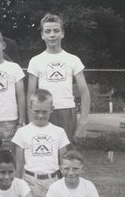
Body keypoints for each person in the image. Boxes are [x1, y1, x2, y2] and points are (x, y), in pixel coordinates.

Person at [27, 13, 90, 143]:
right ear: (42, 35)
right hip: (43, 112)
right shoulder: (35, 61)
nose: (52, 35)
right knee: (44, 156)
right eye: (48, 31)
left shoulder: (73, 59)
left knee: (66, 157)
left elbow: (84, 93)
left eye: (56, 31)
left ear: (62, 33)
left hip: (66, 112)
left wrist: (83, 123)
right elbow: (30, 94)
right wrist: (30, 121)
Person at [12, 89, 70, 197]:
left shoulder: (59, 132)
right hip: (30, 181)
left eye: (45, 112)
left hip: (52, 180)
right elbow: (19, 163)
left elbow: (64, 162)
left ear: (52, 109)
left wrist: (64, 184)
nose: (40, 115)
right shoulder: (22, 132)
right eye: (37, 111)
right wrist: (18, 184)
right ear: (30, 107)